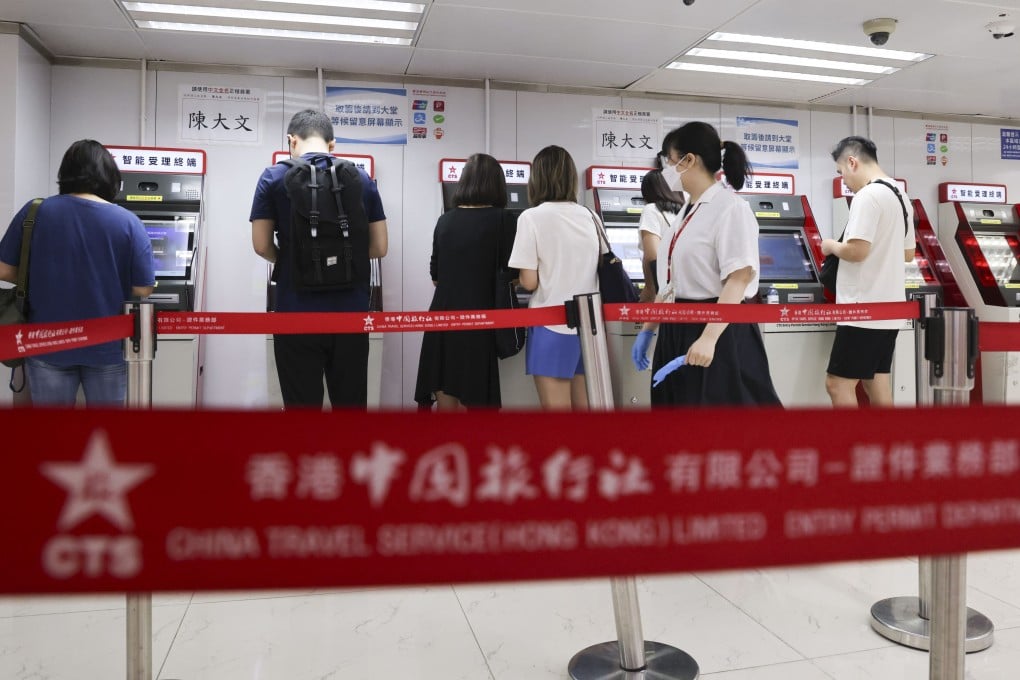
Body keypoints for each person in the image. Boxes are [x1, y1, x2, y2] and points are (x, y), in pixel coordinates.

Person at [632, 122, 781, 407]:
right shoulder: (687, 211)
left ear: (689, 160)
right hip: (677, 326)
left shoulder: (731, 208)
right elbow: (671, 282)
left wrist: (709, 337)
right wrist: (649, 329)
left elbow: (738, 278)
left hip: (716, 327)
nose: (666, 169)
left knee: (718, 418)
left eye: (669, 160)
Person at [0, 139, 155, 407]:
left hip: (47, 344)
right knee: (105, 428)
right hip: (107, 347)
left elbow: (4, 269)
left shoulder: (34, 211)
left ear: (66, 173)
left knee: (55, 429)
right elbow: (143, 288)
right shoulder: (128, 222)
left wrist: (43, 278)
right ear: (110, 177)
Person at [251, 109, 388, 409]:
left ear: (291, 140)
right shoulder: (362, 179)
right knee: (350, 410)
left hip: (295, 313)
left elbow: (261, 245)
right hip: (351, 314)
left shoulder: (272, 177)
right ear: (332, 144)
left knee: (302, 413)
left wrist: (290, 259)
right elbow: (379, 247)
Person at [414, 153, 516, 409]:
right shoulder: (504, 220)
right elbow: (514, 275)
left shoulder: (445, 220)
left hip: (442, 318)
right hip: (480, 320)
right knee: (479, 404)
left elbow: (436, 277)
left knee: (445, 395)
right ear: (497, 184)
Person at [821, 136, 914, 407]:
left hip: (862, 309)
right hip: (890, 310)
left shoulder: (867, 195)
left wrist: (830, 246)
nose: (844, 181)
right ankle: (885, 436)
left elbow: (857, 251)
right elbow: (908, 253)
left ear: (852, 162)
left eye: (841, 172)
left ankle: (853, 436)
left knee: (837, 384)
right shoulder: (900, 196)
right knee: (876, 382)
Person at [508, 145, 602, 410]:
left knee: (557, 417)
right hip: (588, 327)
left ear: (537, 179)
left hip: (551, 325)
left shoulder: (531, 217)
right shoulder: (591, 216)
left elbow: (529, 282)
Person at [637, 168, 684, 302]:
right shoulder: (686, 212)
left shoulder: (651, 210)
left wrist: (649, 289)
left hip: (667, 292)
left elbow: (652, 255)